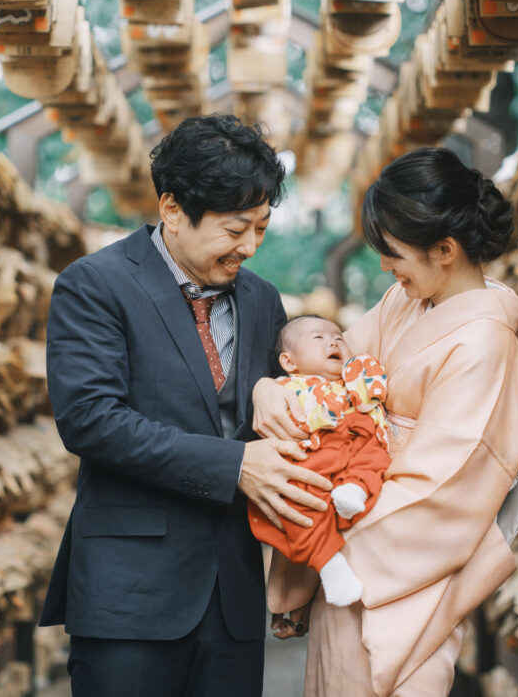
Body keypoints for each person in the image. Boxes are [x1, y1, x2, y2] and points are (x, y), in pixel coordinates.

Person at [39, 114, 333, 697]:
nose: (249, 247)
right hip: (131, 593)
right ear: (172, 209)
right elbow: (91, 420)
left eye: (262, 229)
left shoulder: (262, 299)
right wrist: (235, 467)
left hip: (235, 596)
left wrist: (297, 575)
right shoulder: (94, 284)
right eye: (234, 229)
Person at [254, 146, 518, 697]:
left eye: (393, 253)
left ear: (444, 249)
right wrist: (267, 389)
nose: (385, 266)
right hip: (347, 542)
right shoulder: (403, 302)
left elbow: (438, 494)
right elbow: (328, 377)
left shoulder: (483, 341)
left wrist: (317, 552)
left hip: (397, 575)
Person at [248, 315, 392, 608]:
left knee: (373, 455)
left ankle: (355, 490)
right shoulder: (286, 387)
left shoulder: (351, 381)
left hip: (351, 443)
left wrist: (356, 370)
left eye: (339, 337)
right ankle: (329, 563)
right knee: (296, 502)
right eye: (318, 338)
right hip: (311, 453)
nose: (333, 341)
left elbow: (369, 400)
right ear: (289, 362)